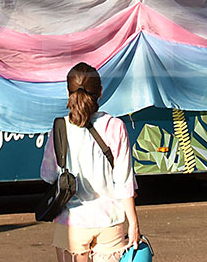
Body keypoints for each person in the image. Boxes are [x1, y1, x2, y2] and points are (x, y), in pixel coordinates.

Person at [40, 63, 140, 262]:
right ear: (100, 91)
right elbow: (124, 182)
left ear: (68, 92)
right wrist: (134, 225)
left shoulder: (60, 127)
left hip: (71, 223)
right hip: (110, 221)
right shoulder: (115, 126)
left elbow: (48, 175)